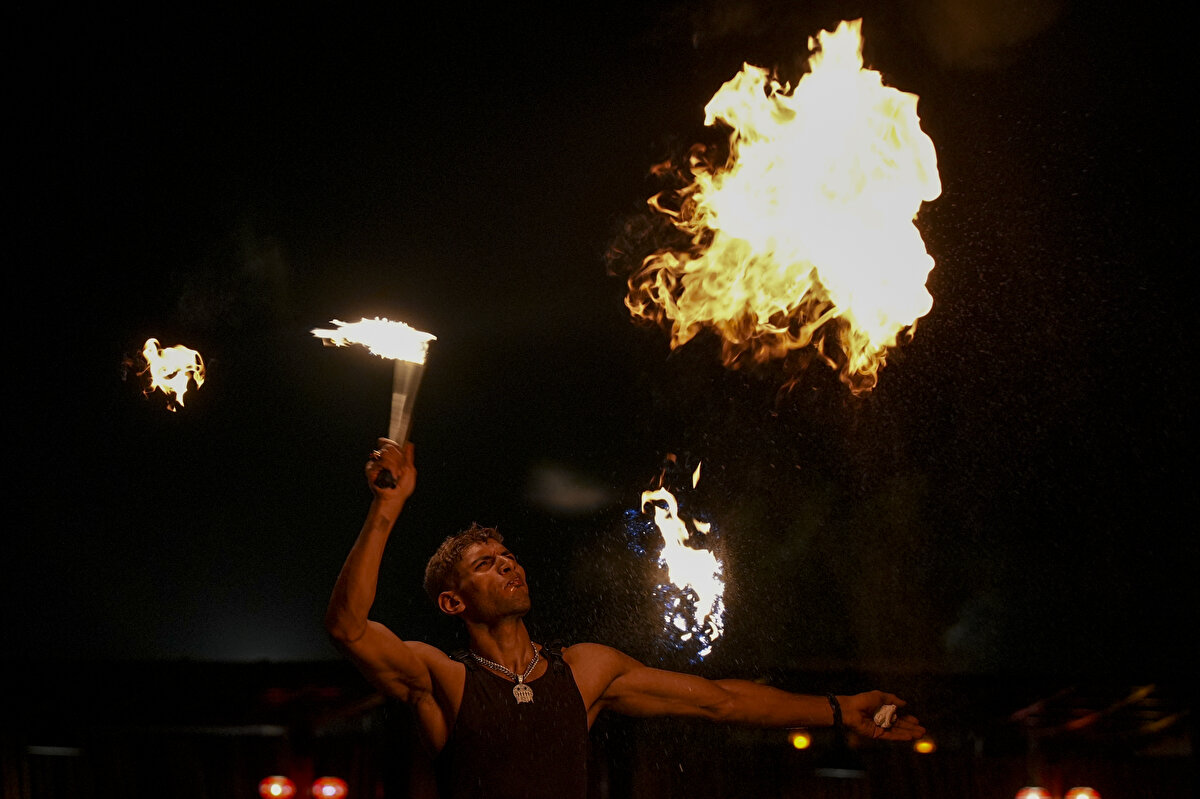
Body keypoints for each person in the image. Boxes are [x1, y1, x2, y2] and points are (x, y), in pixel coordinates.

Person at [326, 439, 925, 799]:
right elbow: (348, 628)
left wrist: (842, 710)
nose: (508, 564)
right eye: (485, 564)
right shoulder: (443, 679)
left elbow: (720, 701)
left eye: (508, 555)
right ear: (453, 603)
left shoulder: (586, 672)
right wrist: (386, 508)